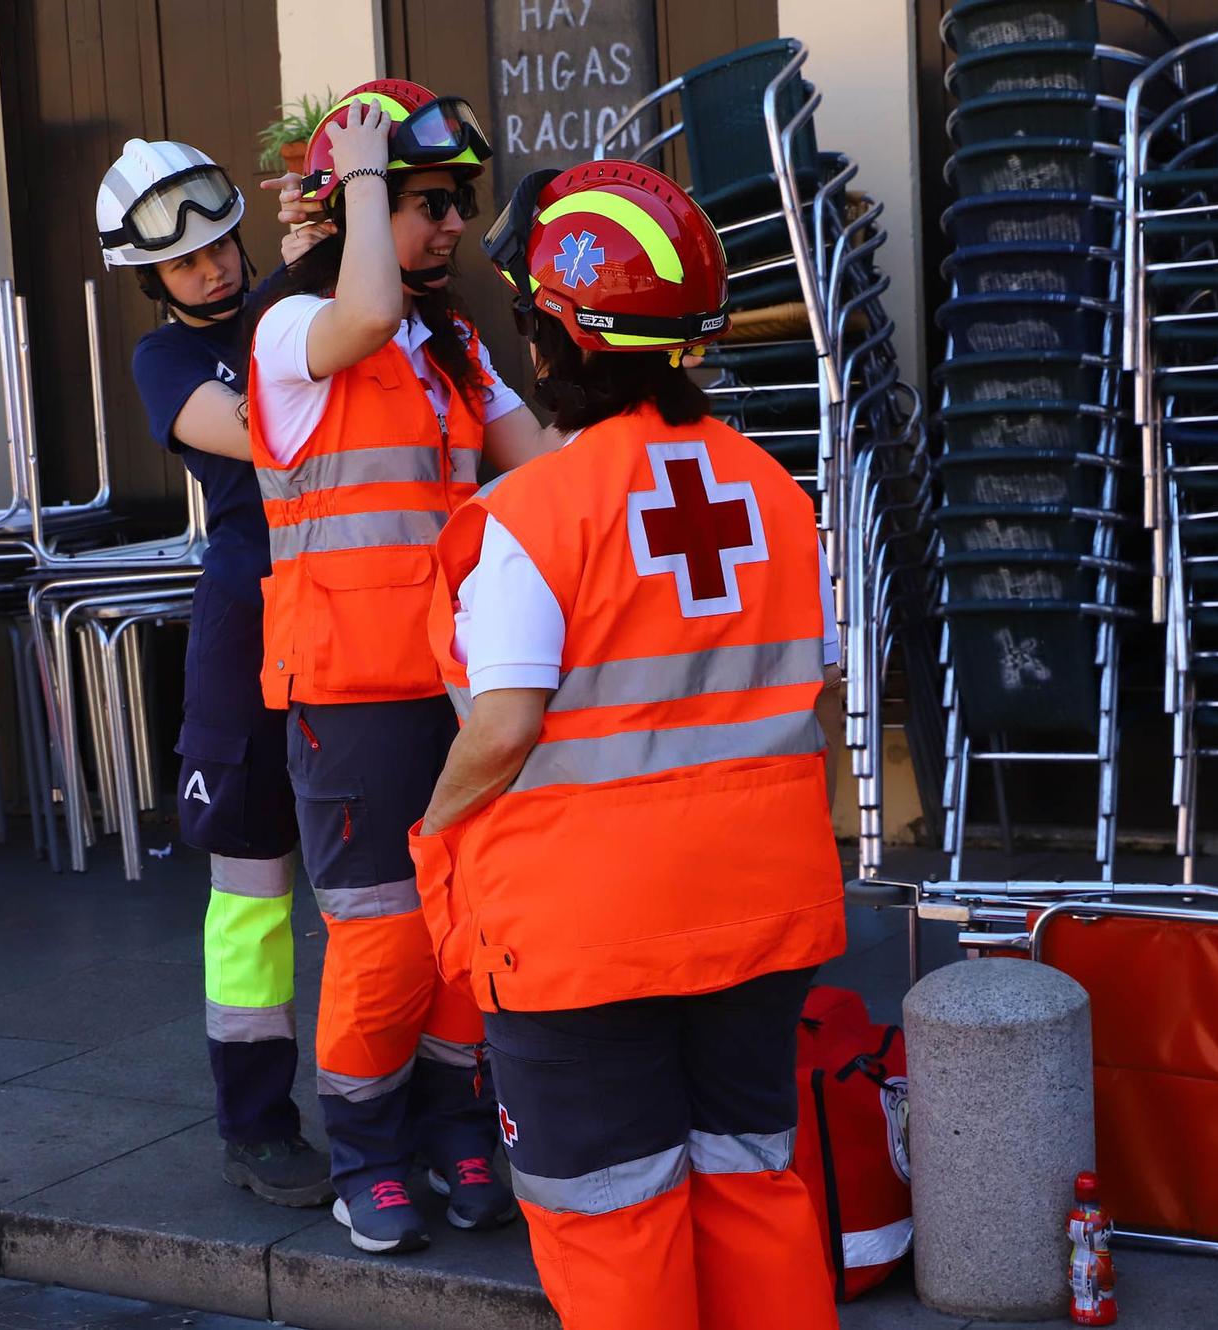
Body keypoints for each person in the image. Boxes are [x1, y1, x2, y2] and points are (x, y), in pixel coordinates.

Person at [408, 160, 848, 1330]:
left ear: (552, 339)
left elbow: (501, 727)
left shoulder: (532, 519)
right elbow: (821, 687)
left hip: (582, 935)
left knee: (611, 1216)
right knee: (750, 1181)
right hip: (760, 913)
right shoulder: (772, 495)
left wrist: (435, 824)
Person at [249, 80, 553, 1254]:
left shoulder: (454, 350)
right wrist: (360, 181)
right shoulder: (291, 333)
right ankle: (365, 1155)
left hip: (459, 696)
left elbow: (542, 466)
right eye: (428, 202)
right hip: (351, 697)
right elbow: (361, 314)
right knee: (380, 944)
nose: (450, 227)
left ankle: (450, 1132)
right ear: (350, 206)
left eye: (458, 205)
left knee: (464, 936)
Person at [96, 138, 334, 1208]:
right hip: (247, 622)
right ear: (150, 279)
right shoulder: (163, 361)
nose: (212, 270)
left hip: (358, 606)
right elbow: (265, 431)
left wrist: (330, 257)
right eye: (183, 265)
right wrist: (309, 283)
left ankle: (426, 1116)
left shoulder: (294, 294)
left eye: (218, 249)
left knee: (391, 886)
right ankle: (257, 1126)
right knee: (249, 890)